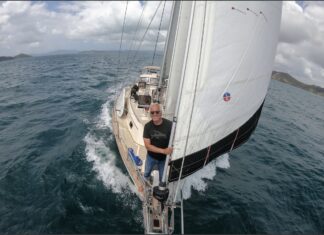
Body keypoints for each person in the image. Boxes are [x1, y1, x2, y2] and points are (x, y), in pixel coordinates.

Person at [143, 103, 173, 183]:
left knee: (162, 178)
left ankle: (161, 187)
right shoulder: (147, 126)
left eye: (157, 112)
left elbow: (174, 140)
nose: (155, 114)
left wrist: (171, 155)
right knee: (146, 172)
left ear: (161, 113)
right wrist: (164, 151)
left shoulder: (170, 125)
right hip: (151, 157)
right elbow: (148, 146)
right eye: (152, 112)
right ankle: (146, 181)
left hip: (164, 159)